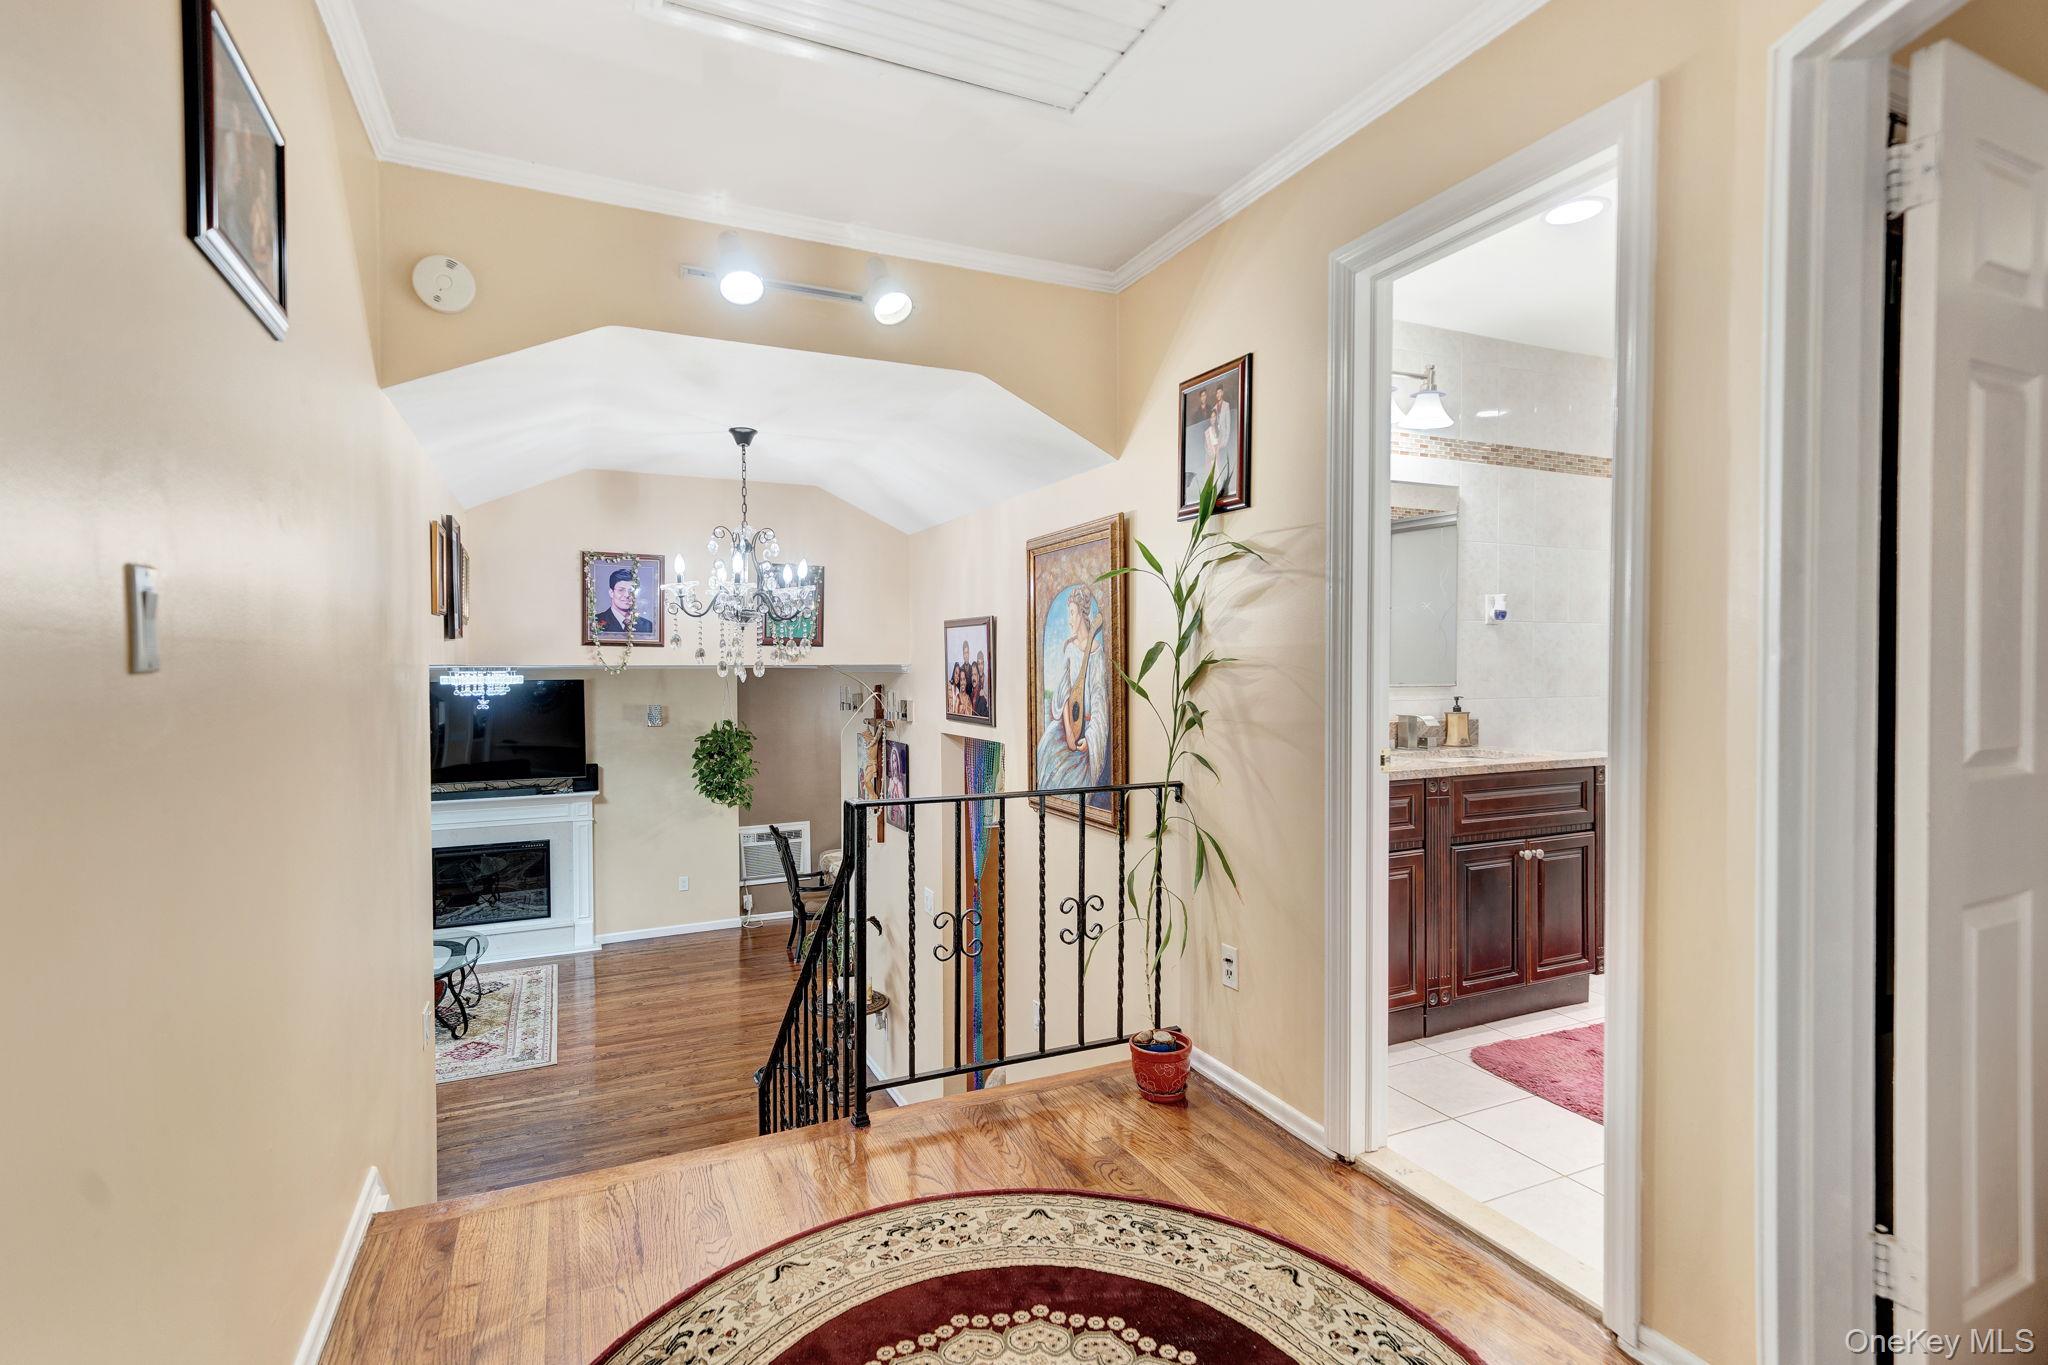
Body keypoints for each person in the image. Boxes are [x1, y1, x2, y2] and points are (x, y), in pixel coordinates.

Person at [1036, 588, 1109, 792]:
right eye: (1068, 613)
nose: (1069, 619)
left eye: (1072, 613)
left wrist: (1091, 737)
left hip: (1086, 733)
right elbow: (1066, 694)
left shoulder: (1096, 651)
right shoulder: (1069, 649)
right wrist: (1069, 732)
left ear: (1083, 615)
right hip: (1069, 726)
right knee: (1045, 749)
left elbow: (1098, 699)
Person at [592, 566, 653, 635]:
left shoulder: (648, 626)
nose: (627, 595)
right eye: (621, 590)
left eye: (631, 591)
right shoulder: (595, 621)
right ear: (611, 593)